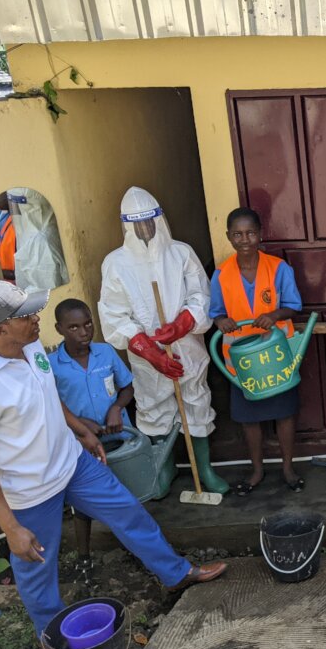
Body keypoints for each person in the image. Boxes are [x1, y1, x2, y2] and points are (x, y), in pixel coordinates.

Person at [0, 282, 226, 636]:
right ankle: (55, 637)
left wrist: (81, 431)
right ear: (0, 329)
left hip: (73, 462)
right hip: (30, 490)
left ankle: (175, 574)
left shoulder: (30, 348)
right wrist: (11, 527)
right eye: (27, 315)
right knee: (36, 567)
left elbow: (46, 395)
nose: (37, 319)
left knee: (128, 511)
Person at [98, 186, 229, 495]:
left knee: (195, 401)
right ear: (127, 226)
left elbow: (201, 296)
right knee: (153, 408)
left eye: (149, 221)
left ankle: (204, 470)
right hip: (146, 358)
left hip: (186, 348)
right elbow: (114, 316)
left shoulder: (181, 253)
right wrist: (147, 348)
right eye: (137, 224)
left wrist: (183, 323)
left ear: (159, 219)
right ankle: (164, 468)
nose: (144, 230)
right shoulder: (115, 264)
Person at [210, 208, 304, 496]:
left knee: (284, 413)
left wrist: (275, 315)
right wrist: (220, 321)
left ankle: (288, 468)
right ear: (229, 237)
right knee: (249, 418)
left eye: (250, 233)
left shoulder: (278, 268)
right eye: (237, 234)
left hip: (277, 355)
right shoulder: (221, 274)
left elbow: (294, 305)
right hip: (242, 361)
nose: (245, 239)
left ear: (260, 233)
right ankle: (257, 470)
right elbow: (215, 313)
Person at [48, 298, 135, 574]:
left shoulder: (105, 353)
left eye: (87, 324)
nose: (84, 332)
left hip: (118, 435)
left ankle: (134, 547)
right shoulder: (51, 365)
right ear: (59, 329)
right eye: (73, 327)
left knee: (126, 492)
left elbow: (127, 387)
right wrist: (80, 425)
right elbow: (51, 405)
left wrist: (116, 409)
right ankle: (84, 556)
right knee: (83, 501)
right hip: (81, 443)